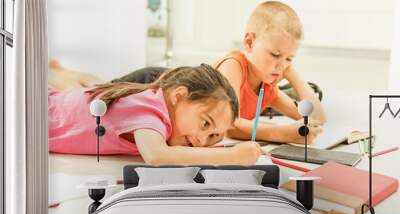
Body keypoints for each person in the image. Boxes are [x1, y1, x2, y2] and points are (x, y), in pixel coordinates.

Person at [48, 62, 266, 165]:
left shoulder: (155, 103)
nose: (202, 141)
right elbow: (157, 156)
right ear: (179, 95)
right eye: (205, 124)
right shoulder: (150, 110)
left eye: (213, 136)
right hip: (30, 114)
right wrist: (231, 156)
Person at [215, 1, 326, 144]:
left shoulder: (267, 86)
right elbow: (228, 125)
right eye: (275, 54)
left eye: (289, 58)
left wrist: (291, 73)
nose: (281, 65)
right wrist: (283, 134)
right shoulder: (232, 66)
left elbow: (317, 118)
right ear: (249, 43)